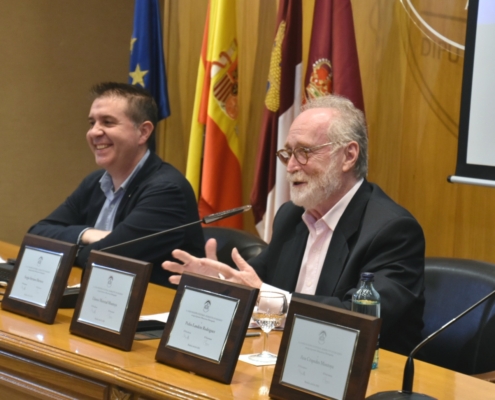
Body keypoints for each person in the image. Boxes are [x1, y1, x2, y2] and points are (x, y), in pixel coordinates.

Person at [162, 95, 425, 355]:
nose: (290, 166)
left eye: (304, 152)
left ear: (348, 156)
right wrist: (221, 283)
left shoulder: (392, 230)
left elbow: (362, 318)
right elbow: (254, 280)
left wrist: (269, 299)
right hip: (289, 358)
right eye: (288, 153)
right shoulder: (291, 216)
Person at [29, 82, 205, 287]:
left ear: (144, 132)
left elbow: (102, 259)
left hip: (154, 310)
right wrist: (87, 234)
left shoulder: (167, 191)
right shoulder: (95, 182)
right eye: (92, 123)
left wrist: (73, 247)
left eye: (108, 122)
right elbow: (36, 234)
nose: (94, 132)